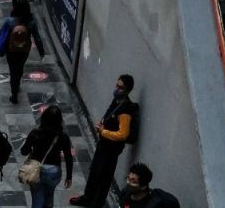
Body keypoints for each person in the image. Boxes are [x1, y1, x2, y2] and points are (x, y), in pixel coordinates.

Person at [70, 75, 139, 207]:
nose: (117, 89)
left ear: (127, 90)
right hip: (104, 145)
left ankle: (96, 203)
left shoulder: (126, 110)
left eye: (120, 87)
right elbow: (109, 115)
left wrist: (103, 131)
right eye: (116, 85)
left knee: (104, 178)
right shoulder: (117, 101)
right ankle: (87, 197)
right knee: (94, 171)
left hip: (111, 149)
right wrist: (102, 123)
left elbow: (122, 134)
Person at [22, 105, 74, 208]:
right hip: (54, 171)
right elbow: (68, 157)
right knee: (49, 196)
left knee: (37, 197)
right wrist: (69, 177)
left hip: (37, 170)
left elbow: (24, 151)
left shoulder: (35, 133)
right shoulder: (63, 137)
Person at [5, 11, 33, 105]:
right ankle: (17, 84)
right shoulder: (31, 22)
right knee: (20, 67)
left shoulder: (10, 21)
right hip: (24, 51)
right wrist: (41, 51)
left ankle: (14, 95)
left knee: (13, 71)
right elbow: (37, 37)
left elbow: (1, 32)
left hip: (11, 50)